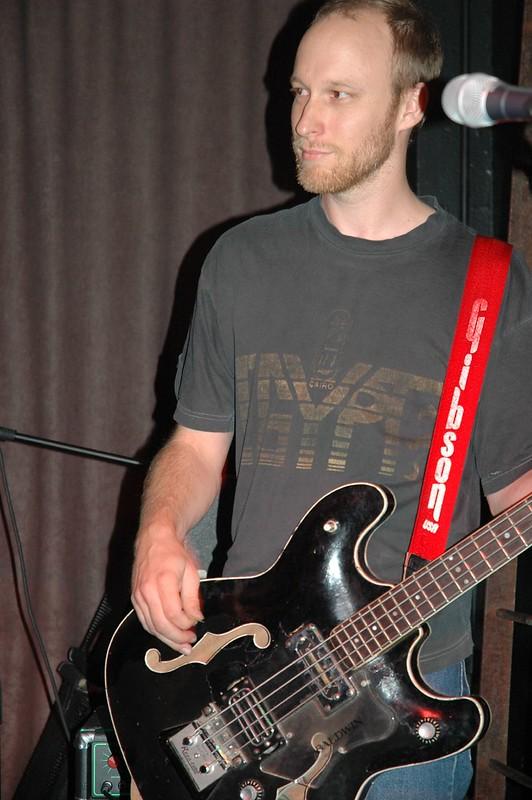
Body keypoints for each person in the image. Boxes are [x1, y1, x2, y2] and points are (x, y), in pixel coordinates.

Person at [131, 1, 532, 798]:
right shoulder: (240, 260)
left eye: (340, 95)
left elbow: (516, 495)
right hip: (239, 673)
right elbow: (196, 444)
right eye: (299, 92)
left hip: (400, 709)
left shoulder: (489, 284)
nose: (306, 121)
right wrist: (158, 531)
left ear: (411, 105)